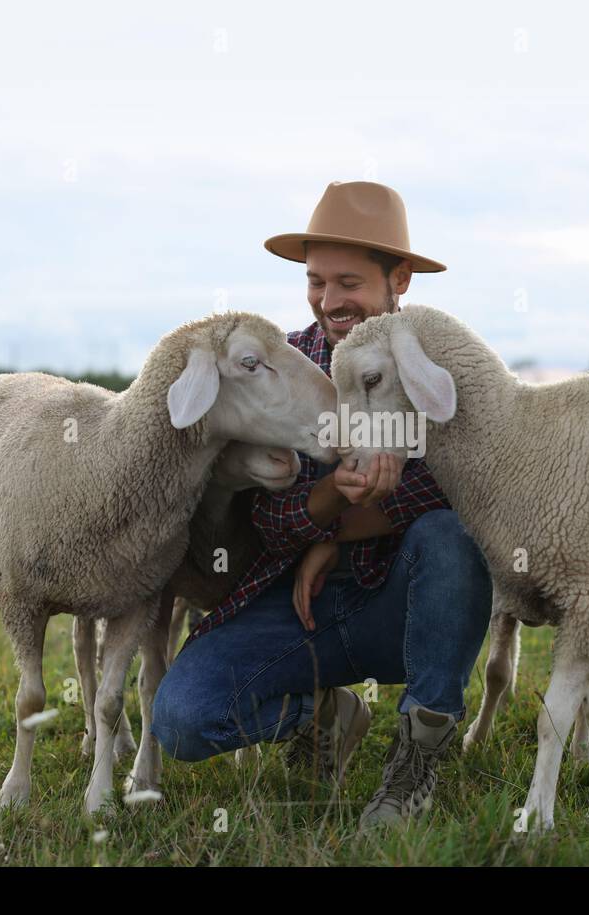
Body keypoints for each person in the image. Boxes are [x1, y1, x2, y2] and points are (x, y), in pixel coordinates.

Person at [151, 181, 493, 828]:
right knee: (182, 718)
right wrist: (333, 495)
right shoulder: (287, 365)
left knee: (453, 535)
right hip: (299, 610)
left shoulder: (438, 364)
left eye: (349, 282)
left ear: (399, 279)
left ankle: (417, 754)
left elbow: (467, 489)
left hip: (405, 608)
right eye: (316, 281)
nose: (330, 301)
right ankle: (325, 712)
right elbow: (264, 521)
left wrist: (342, 531)